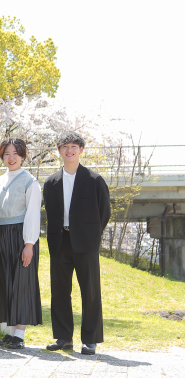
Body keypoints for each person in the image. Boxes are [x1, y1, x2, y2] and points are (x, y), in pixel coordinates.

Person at [43, 131, 110, 356]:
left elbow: (104, 211)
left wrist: (91, 235)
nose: (69, 150)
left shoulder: (94, 180)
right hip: (59, 241)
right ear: (59, 151)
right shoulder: (51, 182)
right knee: (60, 291)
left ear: (81, 150)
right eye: (64, 146)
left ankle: (90, 339)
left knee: (89, 292)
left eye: (73, 146)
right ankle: (63, 338)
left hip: (86, 243)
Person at [0, 138, 42, 349]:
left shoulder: (30, 181)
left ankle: (19, 335)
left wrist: (29, 244)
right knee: (4, 282)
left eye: (15, 153)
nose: (11, 158)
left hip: (20, 236)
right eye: (7, 153)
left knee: (21, 283)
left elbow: (32, 214)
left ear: (23, 155)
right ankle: (9, 334)